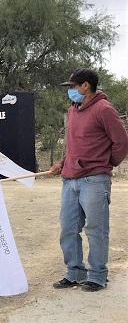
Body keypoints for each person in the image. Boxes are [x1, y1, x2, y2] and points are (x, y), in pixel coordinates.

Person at [49, 68, 128, 292]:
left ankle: (97, 275)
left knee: (95, 228)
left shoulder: (104, 109)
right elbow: (74, 145)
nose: (70, 91)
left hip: (95, 179)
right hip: (70, 179)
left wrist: (104, 163)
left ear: (85, 86)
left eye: (73, 87)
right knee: (68, 228)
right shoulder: (72, 110)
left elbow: (122, 142)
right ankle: (74, 272)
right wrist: (63, 163)